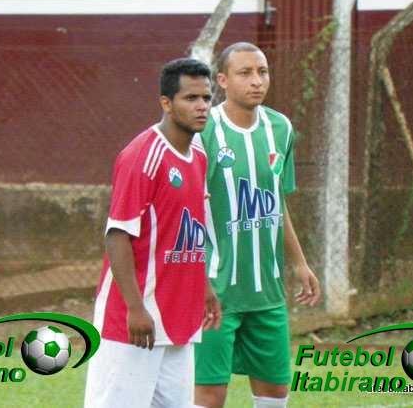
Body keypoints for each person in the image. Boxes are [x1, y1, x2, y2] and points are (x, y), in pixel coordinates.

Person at [84, 58, 221, 408]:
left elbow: (189, 227)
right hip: (134, 320)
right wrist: (135, 308)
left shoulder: (199, 154)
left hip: (179, 315)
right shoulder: (142, 155)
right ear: (166, 103)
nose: (202, 106)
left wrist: (204, 287)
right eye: (191, 98)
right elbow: (117, 235)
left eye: (207, 98)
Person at [194, 42, 321, 408]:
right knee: (210, 395)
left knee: (275, 393)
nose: (256, 81)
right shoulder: (204, 131)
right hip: (216, 291)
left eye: (262, 72)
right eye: (245, 73)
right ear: (222, 80)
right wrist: (195, 279)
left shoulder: (280, 128)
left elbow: (277, 202)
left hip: (267, 292)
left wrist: (300, 263)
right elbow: (186, 213)